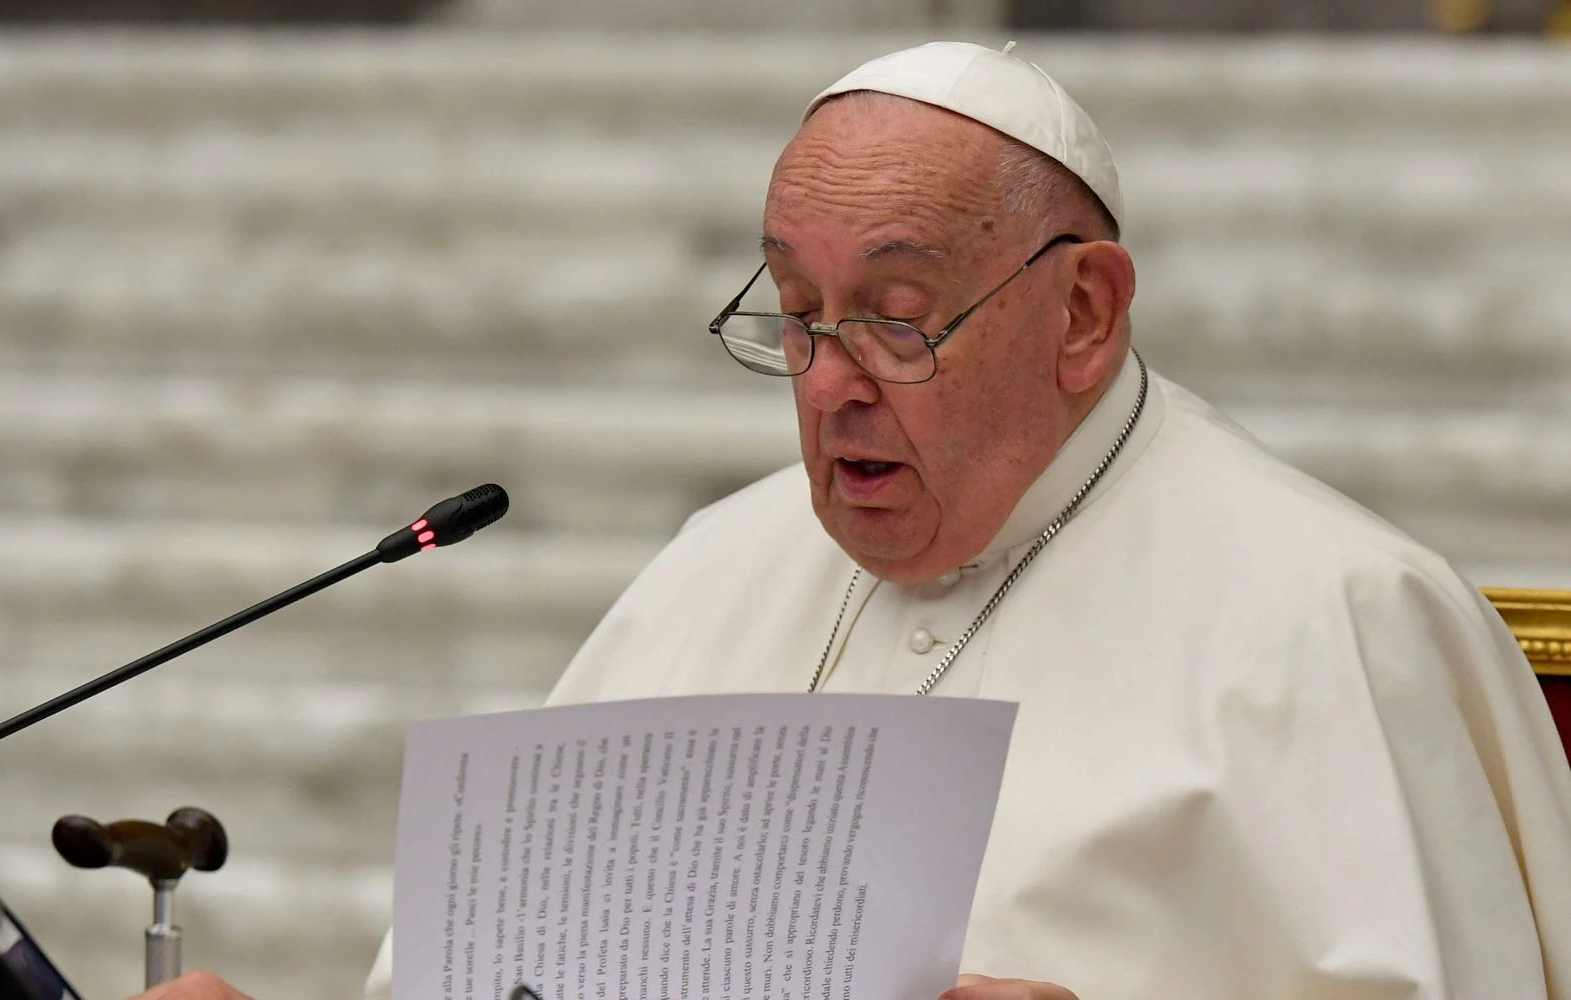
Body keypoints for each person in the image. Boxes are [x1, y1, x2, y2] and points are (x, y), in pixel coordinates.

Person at [136, 40, 1571, 1000]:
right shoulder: (714, 571)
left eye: (896, 318)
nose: (828, 385)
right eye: (796, 314)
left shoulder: (1338, 617)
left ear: (1084, 312)